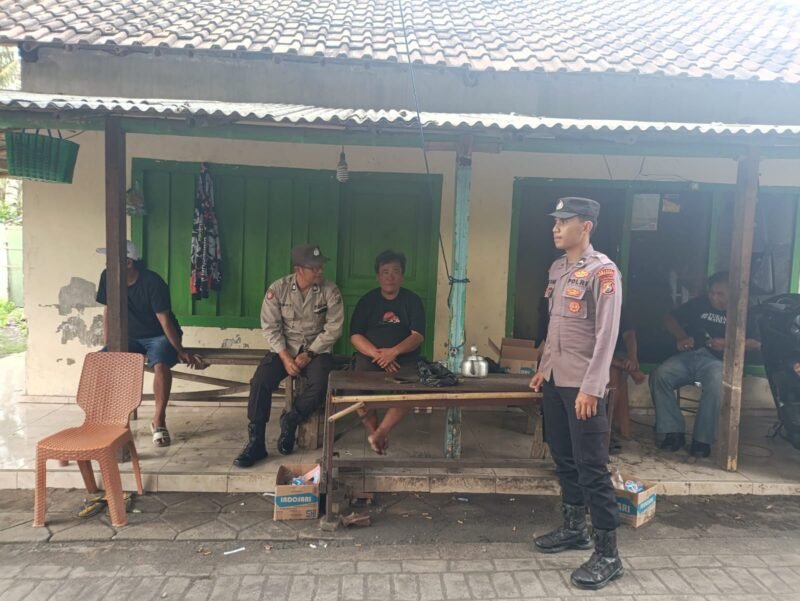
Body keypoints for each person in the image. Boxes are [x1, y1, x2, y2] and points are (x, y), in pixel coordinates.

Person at [529, 196, 624, 590]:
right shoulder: (558, 269)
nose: (555, 228)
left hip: (583, 386)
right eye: (554, 221)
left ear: (586, 226)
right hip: (556, 381)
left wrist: (592, 387)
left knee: (592, 467)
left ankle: (608, 555)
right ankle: (574, 529)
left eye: (564, 221)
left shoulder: (604, 272)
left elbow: (607, 335)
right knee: (563, 457)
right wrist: (543, 369)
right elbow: (555, 326)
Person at [233, 244, 344, 467]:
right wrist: (285, 358)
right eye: (314, 267)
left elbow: (334, 328)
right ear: (299, 269)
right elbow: (270, 327)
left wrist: (310, 354)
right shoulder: (278, 289)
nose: (320, 271)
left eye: (321, 266)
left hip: (317, 349)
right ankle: (256, 442)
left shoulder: (330, 290)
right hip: (284, 349)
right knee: (260, 382)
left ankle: (292, 419)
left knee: (323, 382)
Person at [96, 240, 203, 447]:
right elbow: (108, 309)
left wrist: (180, 350)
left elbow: (164, 320)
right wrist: (109, 343)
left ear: (128, 263)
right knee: (102, 361)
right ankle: (113, 421)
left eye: (112, 260)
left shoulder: (153, 282)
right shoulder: (107, 277)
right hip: (129, 337)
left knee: (160, 364)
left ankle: (159, 420)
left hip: (158, 335)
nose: (108, 265)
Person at [649, 271, 761, 457]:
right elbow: (669, 319)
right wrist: (681, 337)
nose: (714, 297)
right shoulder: (699, 304)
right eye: (712, 293)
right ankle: (673, 431)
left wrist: (726, 343)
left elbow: (756, 343)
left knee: (717, 384)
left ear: (732, 293)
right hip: (689, 356)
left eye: (720, 294)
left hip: (718, 361)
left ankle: (702, 440)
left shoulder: (743, 311)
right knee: (659, 375)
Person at [349, 250, 426, 454]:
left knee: (411, 389)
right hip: (370, 357)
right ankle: (375, 432)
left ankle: (381, 431)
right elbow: (355, 336)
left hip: (404, 359)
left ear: (402, 276)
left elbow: (418, 336)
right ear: (378, 276)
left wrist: (394, 352)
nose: (390, 276)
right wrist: (379, 355)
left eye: (395, 271)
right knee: (356, 388)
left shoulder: (412, 301)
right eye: (385, 272)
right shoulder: (367, 301)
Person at [608, 306, 646, 440]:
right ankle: (605, 429)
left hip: (616, 355)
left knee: (614, 375)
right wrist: (628, 368)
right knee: (613, 374)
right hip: (591, 355)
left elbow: (629, 334)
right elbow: (590, 348)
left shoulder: (618, 307)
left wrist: (632, 357)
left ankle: (608, 428)